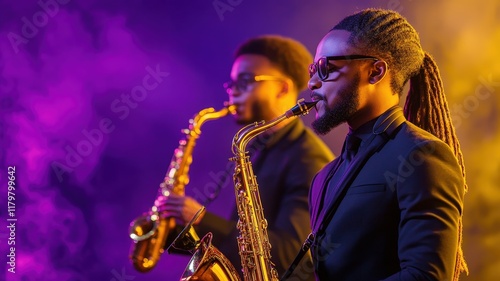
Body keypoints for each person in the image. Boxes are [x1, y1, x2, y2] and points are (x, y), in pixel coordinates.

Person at [306, 8, 468, 281]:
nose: (312, 82)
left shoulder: (423, 156)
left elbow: (424, 277)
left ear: (376, 71)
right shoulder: (325, 176)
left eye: (326, 68)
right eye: (313, 70)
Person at [156, 35, 334, 280]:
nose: (234, 93)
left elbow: (292, 254)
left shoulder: (309, 159)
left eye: (246, 81)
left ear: (283, 87)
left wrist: (201, 219)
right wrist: (167, 230)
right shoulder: (256, 147)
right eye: (232, 84)